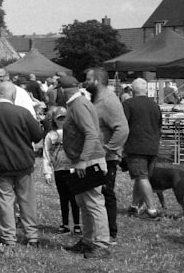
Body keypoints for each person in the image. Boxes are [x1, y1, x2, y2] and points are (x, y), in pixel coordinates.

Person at [0, 81, 46, 247]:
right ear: (14, 94)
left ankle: (9, 237)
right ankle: (32, 236)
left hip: (0, 163)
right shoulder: (23, 112)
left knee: (5, 200)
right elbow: (37, 135)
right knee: (27, 200)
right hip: (23, 162)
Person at [59, 75, 112, 259]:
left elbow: (90, 133)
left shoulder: (78, 105)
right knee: (84, 202)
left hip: (89, 160)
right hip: (85, 159)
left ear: (63, 90)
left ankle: (102, 244)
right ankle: (88, 240)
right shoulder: (79, 103)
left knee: (94, 203)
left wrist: (83, 160)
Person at [85, 67, 127, 244]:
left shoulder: (109, 100)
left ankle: (110, 233)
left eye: (88, 79)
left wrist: (109, 149)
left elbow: (122, 129)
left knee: (105, 193)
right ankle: (96, 232)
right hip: (96, 156)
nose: (85, 82)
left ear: (97, 81)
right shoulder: (97, 99)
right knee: (95, 194)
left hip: (107, 159)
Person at [122, 78, 162, 219]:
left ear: (132, 90)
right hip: (153, 146)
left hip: (136, 147)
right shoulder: (155, 105)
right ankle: (134, 206)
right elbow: (159, 126)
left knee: (141, 177)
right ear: (146, 90)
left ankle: (151, 210)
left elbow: (123, 126)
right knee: (142, 177)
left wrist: (120, 146)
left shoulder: (128, 104)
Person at [41, 107, 81, 235]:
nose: (62, 121)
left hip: (72, 169)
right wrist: (47, 172)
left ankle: (77, 224)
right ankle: (65, 224)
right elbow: (46, 154)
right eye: (59, 119)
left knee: (75, 198)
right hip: (59, 169)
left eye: (64, 118)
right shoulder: (50, 135)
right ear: (54, 120)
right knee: (63, 198)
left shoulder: (73, 132)